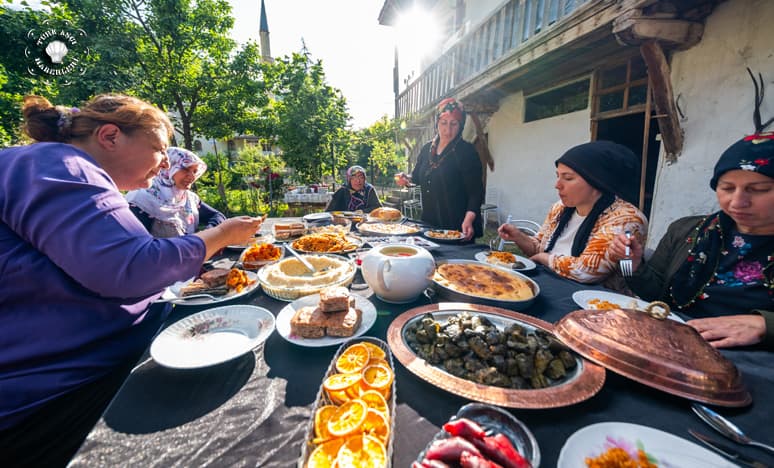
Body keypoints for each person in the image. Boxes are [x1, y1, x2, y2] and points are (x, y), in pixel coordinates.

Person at [0, 95, 262, 464]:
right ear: (110, 136)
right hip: (49, 396)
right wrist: (220, 237)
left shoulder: (65, 168)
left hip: (81, 368)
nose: (163, 164)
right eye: (159, 149)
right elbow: (131, 268)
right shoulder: (59, 166)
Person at [610, 132, 774, 349]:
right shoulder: (687, 231)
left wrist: (764, 324)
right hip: (670, 341)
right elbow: (654, 294)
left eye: (758, 190)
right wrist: (629, 264)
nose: (737, 202)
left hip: (752, 360)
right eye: (727, 188)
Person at [498, 141, 648, 290]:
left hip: (594, 303)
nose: (557, 185)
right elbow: (539, 248)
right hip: (550, 286)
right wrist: (518, 236)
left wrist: (545, 259)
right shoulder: (560, 208)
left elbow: (587, 271)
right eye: (558, 176)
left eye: (568, 178)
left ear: (597, 181)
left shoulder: (626, 218)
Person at [396, 97, 484, 241]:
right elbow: (417, 177)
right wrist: (406, 178)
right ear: (437, 123)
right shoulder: (426, 149)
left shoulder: (467, 152)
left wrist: (469, 219)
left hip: (457, 226)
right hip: (429, 224)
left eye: (453, 124)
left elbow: (476, 192)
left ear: (461, 125)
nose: (447, 130)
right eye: (443, 123)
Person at [126, 147, 226, 237]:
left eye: (195, 171)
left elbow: (217, 216)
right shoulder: (141, 200)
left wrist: (207, 233)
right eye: (186, 169)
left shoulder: (189, 199)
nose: (192, 177)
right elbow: (135, 246)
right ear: (168, 168)